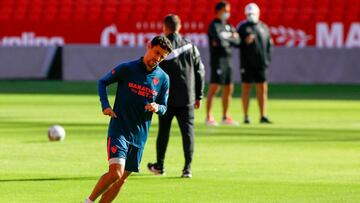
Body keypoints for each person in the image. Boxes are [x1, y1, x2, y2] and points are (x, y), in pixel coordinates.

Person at [84, 36, 172, 203]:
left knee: (121, 179)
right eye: (156, 52)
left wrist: (157, 107)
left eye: (162, 56)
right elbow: (103, 82)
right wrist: (105, 105)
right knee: (116, 172)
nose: (158, 58)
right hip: (120, 129)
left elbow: (164, 107)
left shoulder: (163, 79)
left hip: (139, 136)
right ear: (148, 46)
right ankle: (88, 201)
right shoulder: (128, 68)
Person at [147, 14, 205, 178]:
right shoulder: (190, 46)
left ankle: (160, 165)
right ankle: (187, 168)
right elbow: (200, 71)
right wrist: (199, 95)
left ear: (165, 27)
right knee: (188, 133)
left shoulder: (161, 46)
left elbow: (152, 70)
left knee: (163, 132)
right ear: (179, 27)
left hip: (166, 97)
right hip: (187, 97)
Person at [237, 3, 273, 124]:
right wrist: (244, 41)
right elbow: (236, 42)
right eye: (249, 14)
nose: (251, 16)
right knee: (246, 88)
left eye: (253, 13)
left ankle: (263, 115)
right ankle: (246, 116)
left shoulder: (264, 27)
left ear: (258, 13)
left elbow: (269, 45)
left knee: (262, 89)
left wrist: (267, 59)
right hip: (246, 64)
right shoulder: (242, 27)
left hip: (261, 64)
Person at [206, 1, 240, 126]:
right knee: (215, 87)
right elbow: (219, 42)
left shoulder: (229, 26)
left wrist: (228, 39)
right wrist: (231, 38)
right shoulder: (213, 26)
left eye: (228, 11)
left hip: (228, 60)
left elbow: (238, 41)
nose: (227, 13)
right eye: (225, 11)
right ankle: (209, 116)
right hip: (218, 60)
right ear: (218, 11)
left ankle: (225, 116)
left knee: (229, 87)